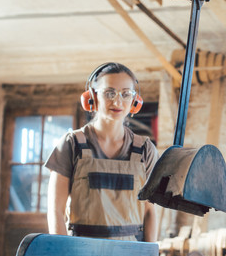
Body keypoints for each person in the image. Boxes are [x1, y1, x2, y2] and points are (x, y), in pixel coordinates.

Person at [46, 62, 158, 242]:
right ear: (92, 98)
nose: (117, 101)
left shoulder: (146, 150)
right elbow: (55, 211)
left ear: (135, 101)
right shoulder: (71, 144)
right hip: (81, 253)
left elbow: (150, 212)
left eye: (126, 93)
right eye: (109, 93)